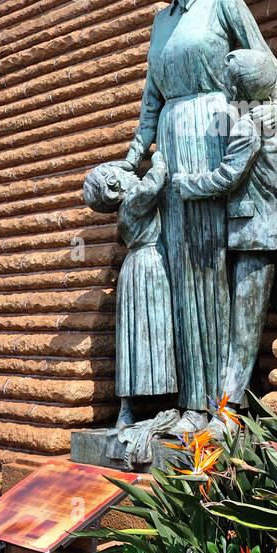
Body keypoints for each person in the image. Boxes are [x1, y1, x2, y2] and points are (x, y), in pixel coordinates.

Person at [124, 0, 277, 414]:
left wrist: (271, 113)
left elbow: (274, 76)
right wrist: (135, 157)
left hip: (217, 136)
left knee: (213, 267)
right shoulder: (161, 22)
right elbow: (151, 99)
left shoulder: (225, 4)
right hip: (175, 144)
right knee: (180, 270)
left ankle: (217, 404)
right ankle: (185, 402)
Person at [171, 49, 277, 407]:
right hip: (274, 230)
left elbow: (227, 176)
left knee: (243, 329)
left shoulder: (246, 125)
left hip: (254, 235)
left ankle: (227, 410)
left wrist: (187, 184)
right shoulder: (272, 117)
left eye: (226, 82)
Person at [83, 153, 176, 426]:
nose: (133, 173)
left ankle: (126, 411)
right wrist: (160, 155)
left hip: (134, 269)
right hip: (150, 266)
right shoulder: (134, 200)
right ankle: (167, 400)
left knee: (133, 338)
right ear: (114, 185)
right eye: (122, 172)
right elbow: (154, 183)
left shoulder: (124, 210)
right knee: (156, 331)